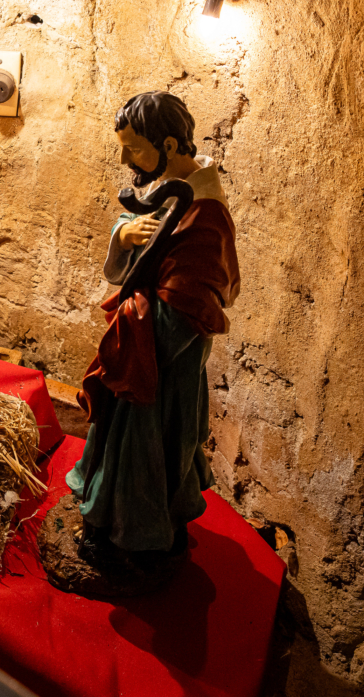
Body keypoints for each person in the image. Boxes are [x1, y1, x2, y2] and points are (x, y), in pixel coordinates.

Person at [67, 91, 241, 558]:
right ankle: (113, 522)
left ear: (168, 145)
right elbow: (146, 236)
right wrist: (123, 235)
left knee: (143, 456)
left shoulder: (204, 213)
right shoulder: (178, 190)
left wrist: (130, 313)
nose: (125, 161)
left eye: (133, 149)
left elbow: (182, 311)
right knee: (124, 446)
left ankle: (133, 542)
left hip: (161, 370)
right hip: (145, 358)